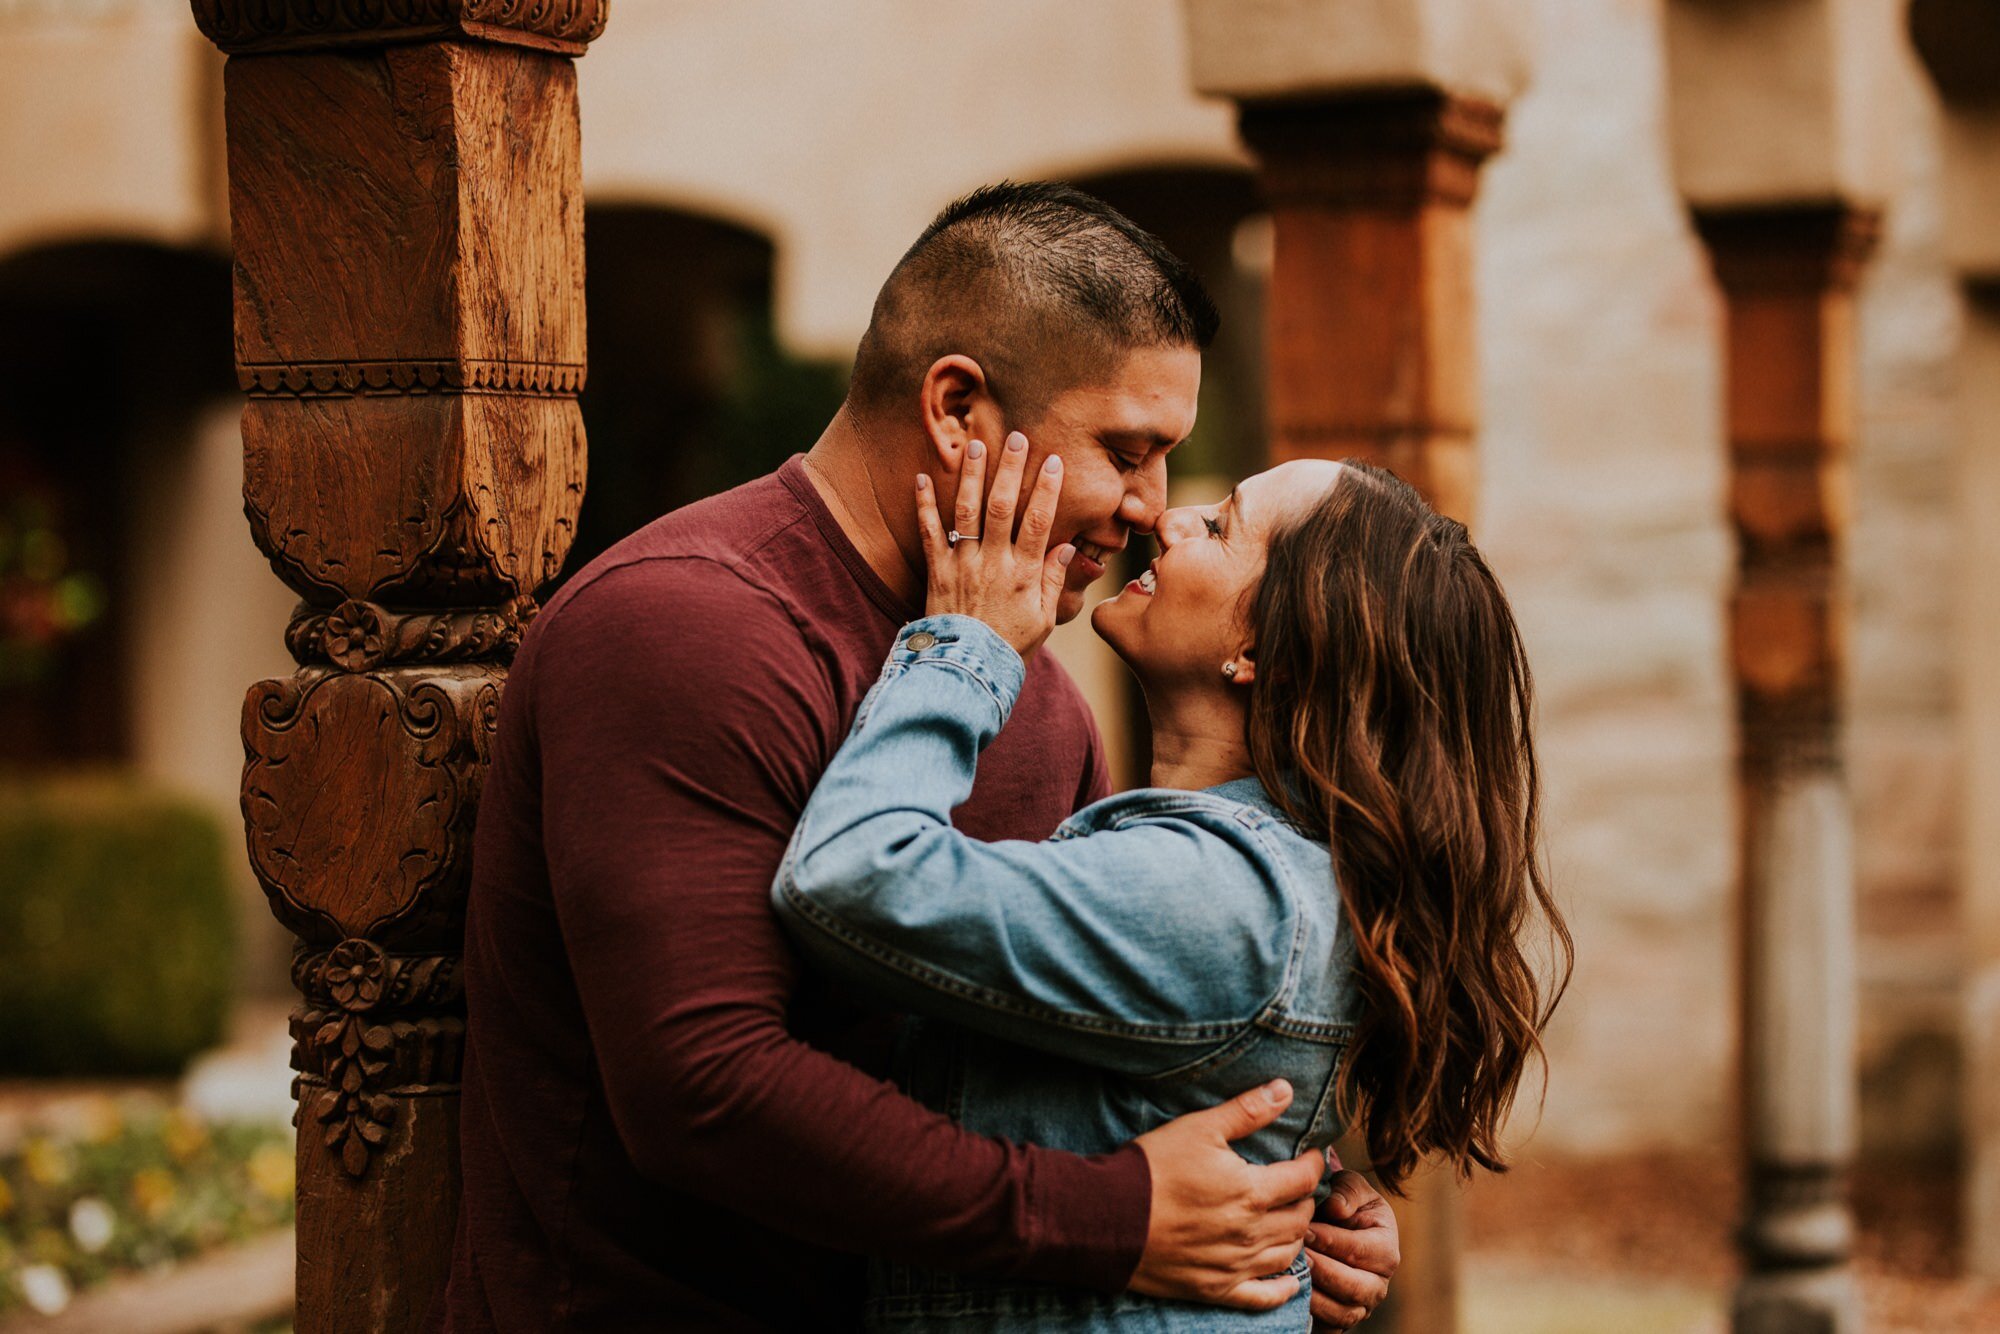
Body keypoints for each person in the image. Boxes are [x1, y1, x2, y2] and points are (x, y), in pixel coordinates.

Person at [442, 183, 1399, 1331]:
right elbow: (702, 1086)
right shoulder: (684, 624)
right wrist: (1111, 1216)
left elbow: (1088, 1043)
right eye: (1125, 450)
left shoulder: (1032, 688)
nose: (1149, 509)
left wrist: (1293, 1201)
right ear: (956, 409)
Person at [773, 445, 1573, 1328]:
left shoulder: (1227, 892)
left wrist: (967, 644)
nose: (1167, 517)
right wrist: (1319, 1197)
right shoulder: (1257, 877)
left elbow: (852, 876)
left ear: (1260, 647)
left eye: (1221, 525)